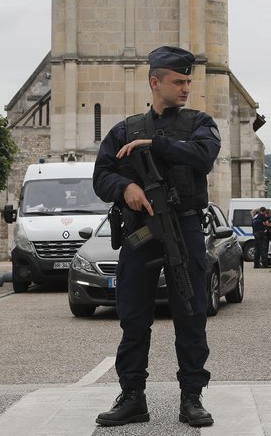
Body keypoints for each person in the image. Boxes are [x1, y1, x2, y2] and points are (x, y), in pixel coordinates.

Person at [92, 46, 220, 428]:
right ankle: (132, 396)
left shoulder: (200, 122)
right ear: (155, 82)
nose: (185, 88)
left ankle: (192, 397)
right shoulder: (124, 130)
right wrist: (125, 188)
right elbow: (101, 176)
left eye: (188, 81)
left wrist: (156, 145)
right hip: (141, 229)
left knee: (191, 310)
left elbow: (204, 156)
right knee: (132, 315)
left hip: (184, 227)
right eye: (178, 81)